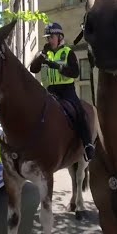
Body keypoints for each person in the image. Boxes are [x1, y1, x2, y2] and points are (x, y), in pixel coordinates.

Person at [29, 22, 95, 162]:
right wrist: (41, 56)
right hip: (49, 91)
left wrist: (57, 66)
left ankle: (88, 144)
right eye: (47, 37)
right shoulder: (45, 53)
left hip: (66, 91)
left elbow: (75, 73)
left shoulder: (68, 52)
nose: (49, 40)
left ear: (59, 37)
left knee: (79, 111)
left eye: (51, 37)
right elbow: (33, 69)